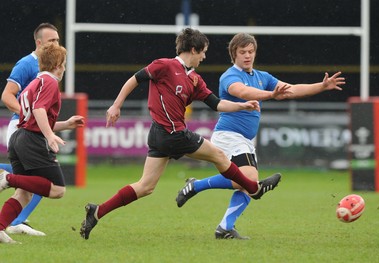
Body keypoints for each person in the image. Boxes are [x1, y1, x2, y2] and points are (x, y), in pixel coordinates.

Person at [79, 28, 281, 240]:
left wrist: (243, 106)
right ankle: (254, 189)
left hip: (163, 135)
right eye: (203, 52)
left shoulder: (194, 79)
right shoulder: (165, 65)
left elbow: (217, 104)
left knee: (146, 186)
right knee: (219, 156)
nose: (204, 57)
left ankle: (97, 211)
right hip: (171, 133)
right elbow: (135, 79)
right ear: (193, 49)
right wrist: (116, 105)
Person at [175, 32, 346, 239]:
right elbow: (243, 92)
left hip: (245, 140)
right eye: (242, 52)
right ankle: (200, 192)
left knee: (248, 185)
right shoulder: (230, 75)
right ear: (234, 54)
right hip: (229, 136)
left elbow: (290, 89)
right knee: (250, 180)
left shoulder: (262, 76)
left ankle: (223, 226)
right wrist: (271, 95)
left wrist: (322, 86)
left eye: (251, 51)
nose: (247, 56)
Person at [0, 42, 85, 244]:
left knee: (25, 194)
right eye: (63, 63)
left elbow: (32, 118)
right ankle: (7, 179)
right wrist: (48, 136)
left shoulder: (35, 83)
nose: (64, 67)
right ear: (57, 64)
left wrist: (65, 125)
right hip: (31, 140)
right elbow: (38, 111)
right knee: (57, 189)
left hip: (19, 137)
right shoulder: (50, 82)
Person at [0, 23, 60, 236]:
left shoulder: (49, 67)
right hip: (21, 128)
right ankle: (17, 220)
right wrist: (28, 114)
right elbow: (7, 96)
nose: (55, 44)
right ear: (39, 42)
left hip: (29, 128)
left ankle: (14, 221)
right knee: (43, 179)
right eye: (51, 40)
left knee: (34, 182)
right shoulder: (27, 64)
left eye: (57, 40)